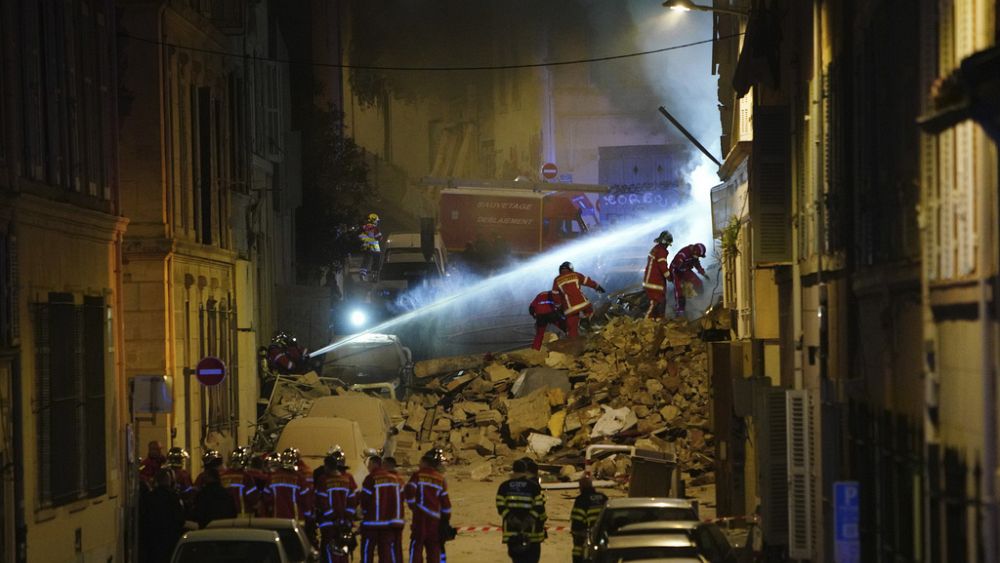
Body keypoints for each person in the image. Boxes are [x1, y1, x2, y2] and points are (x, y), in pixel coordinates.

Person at [405, 449, 452, 563]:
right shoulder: (440, 479)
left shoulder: (418, 475)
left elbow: (409, 491)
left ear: (425, 462)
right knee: (433, 548)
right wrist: (445, 520)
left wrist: (413, 507)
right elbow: (446, 504)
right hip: (435, 519)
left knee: (416, 546)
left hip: (420, 517)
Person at [496, 459, 547, 563]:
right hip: (532, 534)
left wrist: (511, 519)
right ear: (524, 470)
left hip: (512, 533)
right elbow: (539, 506)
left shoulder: (504, 486)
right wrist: (529, 521)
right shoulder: (533, 486)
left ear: (513, 470)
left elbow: (500, 505)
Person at [316, 446, 358, 563]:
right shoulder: (348, 479)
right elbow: (353, 501)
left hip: (328, 524)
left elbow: (322, 502)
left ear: (328, 466)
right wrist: (346, 518)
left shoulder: (323, 480)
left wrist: (333, 517)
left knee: (329, 551)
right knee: (343, 550)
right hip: (345, 524)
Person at [358, 455, 404, 562]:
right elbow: (401, 498)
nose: (368, 468)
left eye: (369, 465)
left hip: (371, 523)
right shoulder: (395, 479)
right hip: (388, 524)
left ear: (375, 464)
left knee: (367, 552)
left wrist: (364, 515)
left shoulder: (371, 478)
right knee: (385, 553)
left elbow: (364, 500)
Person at [139, 468, 186, 563]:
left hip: (153, 540)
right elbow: (180, 518)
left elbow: (143, 518)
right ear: (169, 481)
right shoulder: (173, 497)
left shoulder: (150, 497)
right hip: (170, 540)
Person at [552, 262, 605, 339]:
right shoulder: (576, 275)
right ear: (571, 268)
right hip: (583, 303)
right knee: (590, 313)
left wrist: (559, 307)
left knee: (572, 327)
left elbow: (555, 295)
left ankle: (574, 342)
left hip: (570, 308)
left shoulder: (557, 280)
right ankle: (593, 328)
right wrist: (597, 287)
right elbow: (588, 282)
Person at [265, 448, 312, 521]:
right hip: (295, 521)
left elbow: (266, 499)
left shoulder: (272, 477)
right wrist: (309, 517)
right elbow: (305, 501)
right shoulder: (299, 478)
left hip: (276, 519)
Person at [570, 475, 608, 563]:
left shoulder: (581, 500)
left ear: (581, 487)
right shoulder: (603, 497)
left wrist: (576, 533)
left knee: (578, 551)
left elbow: (577, 519)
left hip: (586, 534)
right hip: (604, 533)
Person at [668, 243, 709, 317]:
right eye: (698, 256)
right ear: (694, 252)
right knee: (679, 290)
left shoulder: (695, 255)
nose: (698, 257)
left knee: (698, 283)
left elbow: (697, 264)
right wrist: (683, 281)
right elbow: (678, 266)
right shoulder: (683, 254)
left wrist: (703, 273)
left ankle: (700, 301)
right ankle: (680, 312)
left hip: (685, 270)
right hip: (676, 271)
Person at [642, 231, 673, 319]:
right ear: (665, 243)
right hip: (654, 281)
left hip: (649, 280)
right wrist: (669, 277)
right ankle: (646, 323)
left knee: (660, 302)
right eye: (668, 244)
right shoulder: (661, 251)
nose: (668, 246)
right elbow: (663, 266)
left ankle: (656, 322)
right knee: (656, 302)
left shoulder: (655, 248)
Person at [221, 446, 259, 515]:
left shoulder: (222, 476)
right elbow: (253, 498)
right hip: (243, 516)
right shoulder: (246, 477)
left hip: (225, 516)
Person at [383, 457, 407, 563]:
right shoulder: (400, 479)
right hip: (399, 517)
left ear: (387, 465)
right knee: (397, 546)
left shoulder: (384, 479)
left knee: (387, 546)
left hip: (388, 518)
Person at [359, 213, 383, 281]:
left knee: (366, 261)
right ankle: (374, 276)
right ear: (374, 220)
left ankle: (362, 274)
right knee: (376, 262)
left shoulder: (364, 227)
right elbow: (379, 237)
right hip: (375, 249)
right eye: (377, 221)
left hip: (366, 247)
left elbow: (360, 236)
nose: (377, 222)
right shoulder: (375, 228)